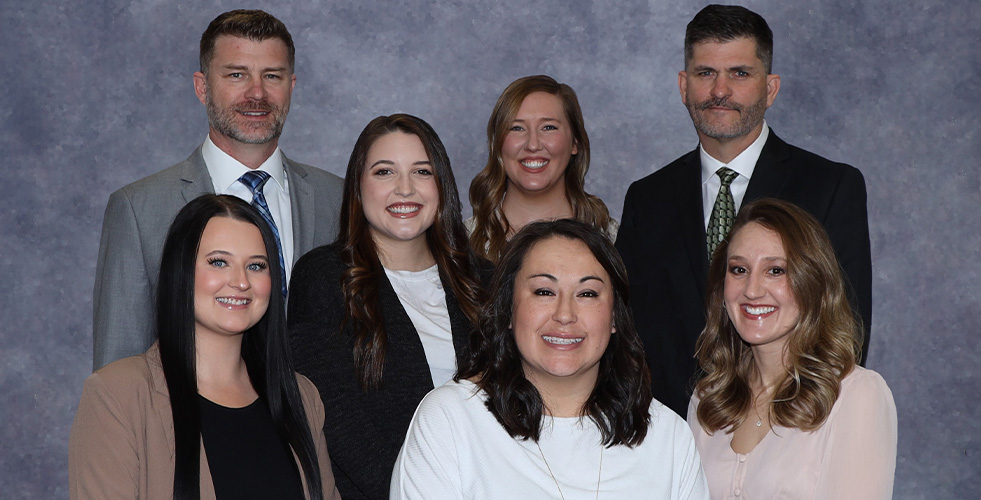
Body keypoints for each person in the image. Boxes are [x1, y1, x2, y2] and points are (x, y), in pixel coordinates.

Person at [616, 4, 872, 417]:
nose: (720, 91)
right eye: (705, 74)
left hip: (788, 426)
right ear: (684, 86)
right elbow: (629, 331)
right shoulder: (647, 198)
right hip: (670, 436)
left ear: (770, 88)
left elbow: (848, 328)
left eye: (739, 73)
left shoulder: (830, 186)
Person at [92, 9, 343, 369]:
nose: (256, 93)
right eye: (237, 74)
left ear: (291, 86)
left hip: (319, 422)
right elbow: (117, 367)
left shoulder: (338, 199)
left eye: (272, 75)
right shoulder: (138, 210)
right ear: (202, 87)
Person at [392, 219, 709, 499]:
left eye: (587, 294)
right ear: (509, 310)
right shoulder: (450, 421)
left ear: (615, 316)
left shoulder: (667, 436)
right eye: (544, 292)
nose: (565, 315)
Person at [70, 195, 341, 500]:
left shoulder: (302, 397)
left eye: (256, 265)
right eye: (219, 262)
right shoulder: (117, 394)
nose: (241, 282)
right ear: (180, 270)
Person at [288, 114, 487, 500]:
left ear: (441, 186)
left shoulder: (487, 282)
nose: (405, 189)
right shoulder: (324, 278)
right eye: (384, 172)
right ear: (358, 189)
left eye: (422, 172)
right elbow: (338, 420)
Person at [688, 198, 896, 500]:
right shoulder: (707, 400)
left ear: (813, 283)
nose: (752, 290)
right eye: (739, 269)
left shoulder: (856, 395)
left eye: (775, 270)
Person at [468, 75, 617, 262]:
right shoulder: (459, 243)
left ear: (575, 143)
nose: (533, 145)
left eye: (548, 127)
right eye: (517, 128)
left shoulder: (614, 240)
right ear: (497, 144)